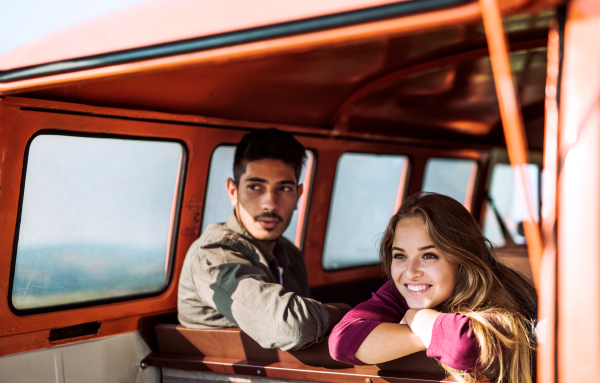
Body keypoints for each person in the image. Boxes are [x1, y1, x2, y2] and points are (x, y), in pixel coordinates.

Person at [329, 192, 537, 383]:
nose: (411, 272)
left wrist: (415, 317)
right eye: (400, 256)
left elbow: (463, 347)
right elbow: (342, 341)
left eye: (429, 255)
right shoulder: (405, 289)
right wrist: (426, 334)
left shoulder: (501, 298)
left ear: (462, 258)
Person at [178, 128, 350, 351]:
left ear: (298, 196)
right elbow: (291, 328)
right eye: (255, 187)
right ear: (233, 191)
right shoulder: (213, 254)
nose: (270, 203)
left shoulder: (290, 254)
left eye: (284, 188)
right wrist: (344, 312)